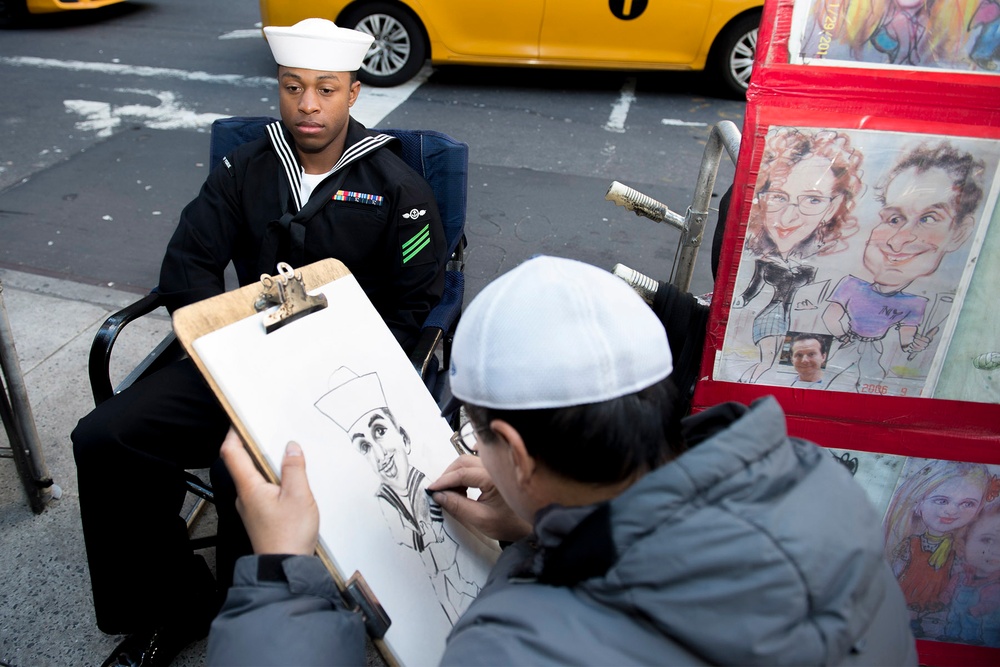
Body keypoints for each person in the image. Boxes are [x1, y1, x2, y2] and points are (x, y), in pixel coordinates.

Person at [208, 255, 917, 666]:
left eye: (474, 434)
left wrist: (281, 581)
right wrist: (540, 523)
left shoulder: (509, 650)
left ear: (513, 451)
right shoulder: (821, 493)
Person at [72, 18, 447, 667]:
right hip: (238, 358)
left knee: (235, 469)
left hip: (332, 380)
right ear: (279, 87)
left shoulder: (398, 188)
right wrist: (225, 347)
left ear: (354, 93)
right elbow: (188, 262)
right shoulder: (245, 165)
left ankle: (249, 625)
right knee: (104, 437)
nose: (307, 105)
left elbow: (413, 300)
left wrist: (339, 364)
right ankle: (169, 609)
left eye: (326, 90)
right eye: (293, 86)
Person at [314, 366, 480, 624]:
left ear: (403, 436)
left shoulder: (432, 483)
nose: (380, 455)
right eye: (365, 446)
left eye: (379, 431)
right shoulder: (381, 505)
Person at [822, 141, 983, 391]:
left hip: (872, 353)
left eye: (928, 219)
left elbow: (907, 338)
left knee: (870, 383)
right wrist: (843, 337)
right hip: (845, 346)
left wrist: (914, 345)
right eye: (894, 218)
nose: (898, 241)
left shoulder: (914, 304)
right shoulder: (851, 285)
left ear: (959, 234)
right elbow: (830, 315)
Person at [733, 127, 862, 384]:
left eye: (812, 200)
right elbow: (751, 289)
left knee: (789, 374)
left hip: (805, 327)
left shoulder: (831, 260)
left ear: (833, 206)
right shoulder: (749, 245)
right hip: (770, 317)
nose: (788, 218)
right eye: (778, 197)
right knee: (766, 365)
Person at [883, 459, 999, 638]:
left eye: (967, 504)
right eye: (942, 500)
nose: (952, 511)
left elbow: (961, 580)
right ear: (918, 502)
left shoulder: (962, 549)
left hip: (938, 612)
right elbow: (895, 573)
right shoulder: (910, 544)